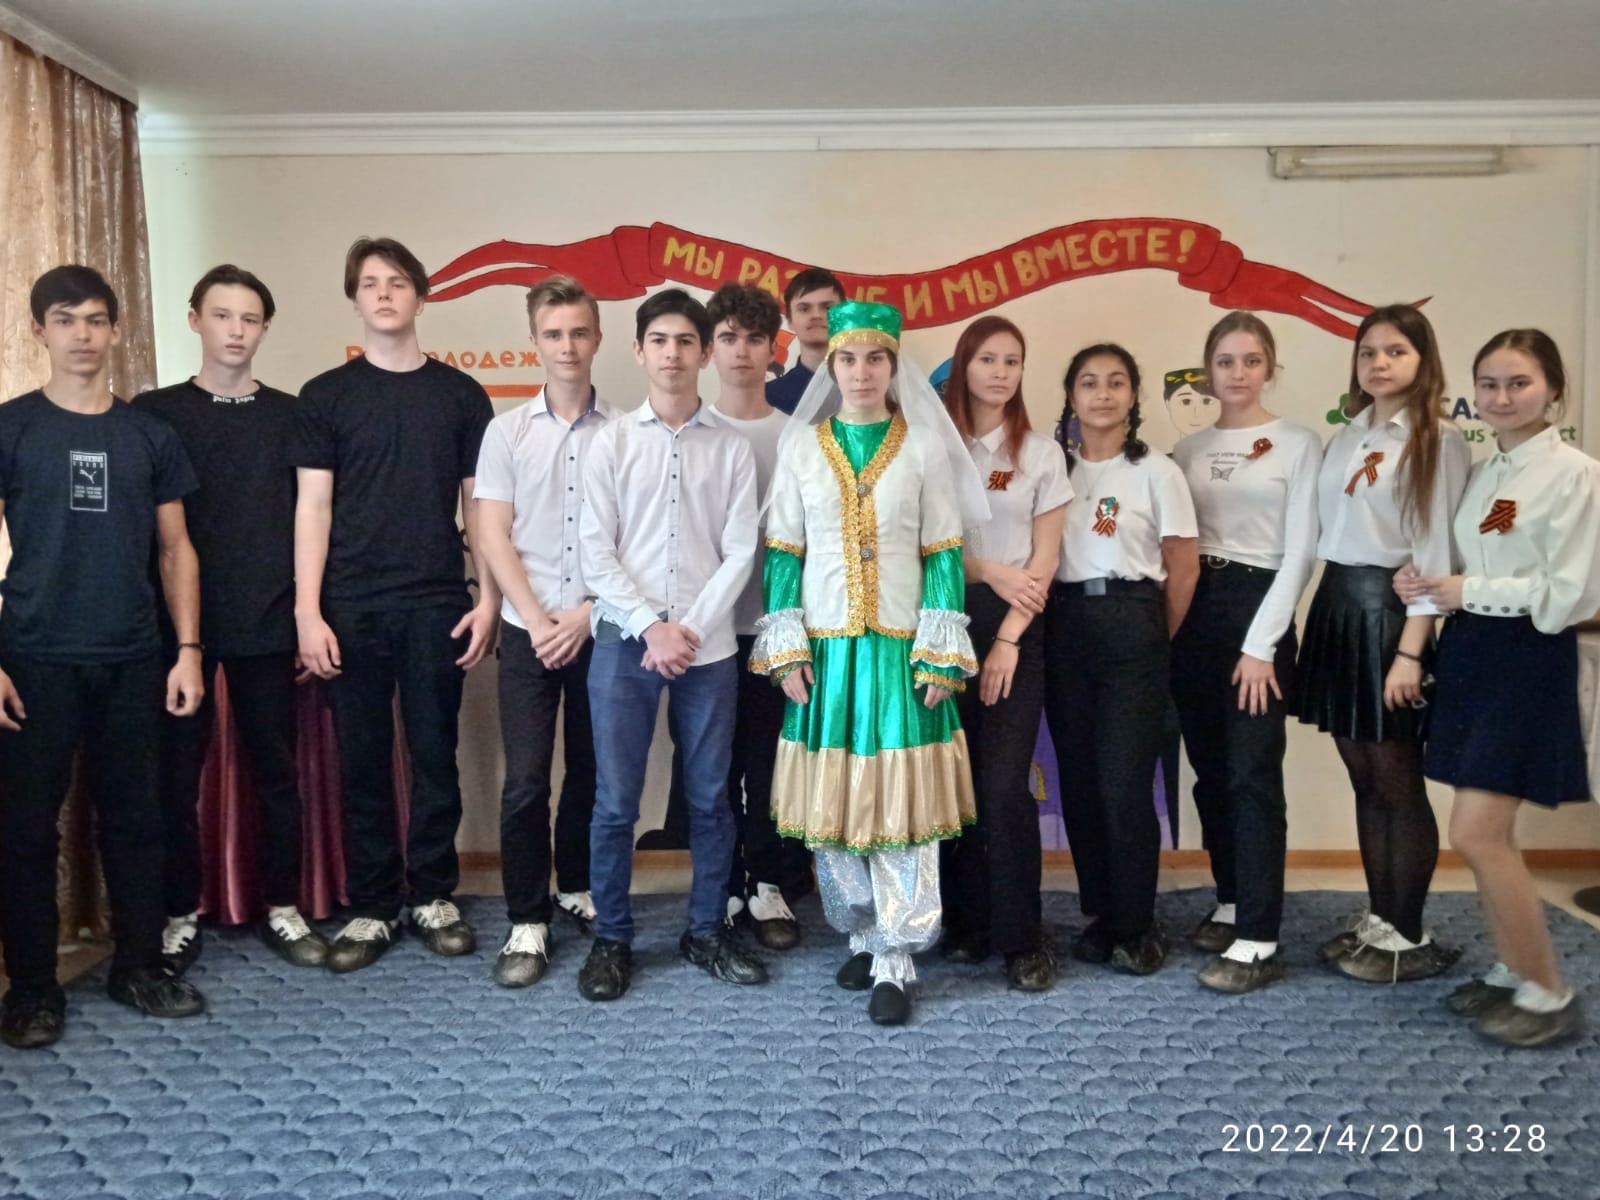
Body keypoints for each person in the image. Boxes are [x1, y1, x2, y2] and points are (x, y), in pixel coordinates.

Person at [752, 299, 987, 1025]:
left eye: (875, 358)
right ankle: (860, 928)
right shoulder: (802, 445)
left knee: (901, 802)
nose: (861, 372)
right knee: (832, 803)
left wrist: (941, 651)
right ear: (830, 364)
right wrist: (786, 644)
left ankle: (897, 952)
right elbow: (784, 550)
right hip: (825, 650)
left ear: (893, 364)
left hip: (898, 648)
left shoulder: (923, 447)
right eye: (848, 359)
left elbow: (942, 549)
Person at [0, 266, 207, 1050]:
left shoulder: (147, 435)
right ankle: (31, 990)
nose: (82, 334)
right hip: (33, 659)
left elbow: (176, 549)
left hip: (134, 656)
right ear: (39, 330)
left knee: (138, 821)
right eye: (65, 320)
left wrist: (187, 650)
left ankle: (139, 967)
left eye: (95, 319)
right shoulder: (12, 428)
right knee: (25, 831)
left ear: (116, 330)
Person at [293, 237, 497, 973]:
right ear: (355, 298)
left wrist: (490, 598)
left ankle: (434, 894)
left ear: (421, 296)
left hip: (437, 602)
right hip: (349, 606)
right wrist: (307, 612)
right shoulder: (325, 396)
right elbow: (312, 508)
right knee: (362, 761)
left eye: (398, 282)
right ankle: (374, 904)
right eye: (371, 283)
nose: (384, 293)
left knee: (435, 755)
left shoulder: (460, 395)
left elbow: (480, 508)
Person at [1398, 329, 1599, 1047]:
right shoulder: (1487, 471)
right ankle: (1514, 969)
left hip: (1527, 657)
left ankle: (1549, 990)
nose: (1502, 398)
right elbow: (1465, 566)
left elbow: (1569, 595)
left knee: (1476, 833)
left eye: (1519, 383)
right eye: (1489, 384)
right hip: (1473, 653)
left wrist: (1467, 589)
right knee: (1489, 834)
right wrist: (1425, 583)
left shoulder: (1575, 474)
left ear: (1553, 390)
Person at [137, 264, 326, 974]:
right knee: (175, 778)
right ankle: (178, 913)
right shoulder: (153, 413)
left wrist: (308, 615)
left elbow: (314, 521)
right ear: (195, 320)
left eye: (250, 319)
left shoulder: (291, 414)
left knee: (278, 774)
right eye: (222, 316)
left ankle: (283, 906)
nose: (236, 331)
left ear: (265, 329)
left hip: (269, 619)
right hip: (175, 628)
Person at [577, 287, 763, 1002]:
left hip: (707, 651)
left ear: (706, 351)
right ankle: (612, 938)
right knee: (615, 803)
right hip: (625, 644)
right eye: (659, 340)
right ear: (638, 351)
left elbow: (740, 551)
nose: (673, 353)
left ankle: (706, 930)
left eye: (687, 340)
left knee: (712, 799)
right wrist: (650, 625)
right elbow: (595, 552)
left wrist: (687, 628)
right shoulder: (610, 442)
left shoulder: (733, 449)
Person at [1293, 305, 1469, 983]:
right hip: (1339, 606)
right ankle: (1381, 916)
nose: (1379, 363)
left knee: (1397, 777)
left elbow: (1433, 552)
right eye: (1368, 352)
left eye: (1396, 351)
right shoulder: (1350, 432)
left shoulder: (1437, 438)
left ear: (1423, 360)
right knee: (1362, 775)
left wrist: (1411, 653)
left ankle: (1409, 932)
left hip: (1392, 619)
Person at [1170, 311, 1320, 994]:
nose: (1237, 373)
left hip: (1260, 609)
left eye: (1251, 360)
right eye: (1225, 361)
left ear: (1269, 368)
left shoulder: (1298, 443)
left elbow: (1301, 553)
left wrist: (1262, 645)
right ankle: (1231, 899)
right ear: (1209, 370)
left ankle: (1259, 936)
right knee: (1209, 770)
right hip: (1196, 608)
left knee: (1253, 774)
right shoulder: (1188, 449)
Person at [474, 275, 613, 987]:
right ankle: (527, 918)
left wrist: (585, 613)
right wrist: (534, 619)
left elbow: (637, 539)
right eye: (553, 333)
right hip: (527, 631)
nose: (567, 346)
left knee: (592, 771)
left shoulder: (624, 433)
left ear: (598, 339)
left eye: (578, 332)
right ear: (534, 341)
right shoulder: (506, 432)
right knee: (526, 781)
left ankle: (576, 886)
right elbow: (491, 532)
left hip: (599, 627)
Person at [1047, 343, 1199, 978]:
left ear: (1134, 396)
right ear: (1071, 396)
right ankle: (1102, 914)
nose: (1103, 394)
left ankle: (1137, 924)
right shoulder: (1053, 469)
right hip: (1064, 624)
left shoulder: (1157, 471)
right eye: (1089, 383)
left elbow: (1183, 568)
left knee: (1124, 783)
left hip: (1134, 622)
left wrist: (1153, 636)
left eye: (1116, 383)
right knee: (1080, 782)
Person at [938, 316, 1070, 990]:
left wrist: (1009, 640)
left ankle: (1022, 938)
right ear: (964, 365)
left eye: (1012, 361)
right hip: (942, 623)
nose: (999, 372)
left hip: (1018, 629)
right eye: (987, 359)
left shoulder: (1041, 453)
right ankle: (966, 923)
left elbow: (1044, 559)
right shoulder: (934, 446)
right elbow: (924, 546)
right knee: (952, 784)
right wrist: (989, 570)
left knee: (1002, 786)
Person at [701, 282, 808, 948]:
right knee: (713, 769)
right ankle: (721, 885)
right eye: (728, 338)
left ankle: (768, 883)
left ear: (774, 349)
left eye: (755, 339)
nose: (741, 351)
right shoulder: (694, 431)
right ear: (710, 349)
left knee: (769, 766)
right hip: (707, 634)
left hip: (777, 632)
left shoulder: (798, 436)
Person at [765, 268, 845, 416]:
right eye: (804, 309)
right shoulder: (766, 398)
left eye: (827, 308)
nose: (816, 315)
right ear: (790, 321)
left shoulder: (871, 391)